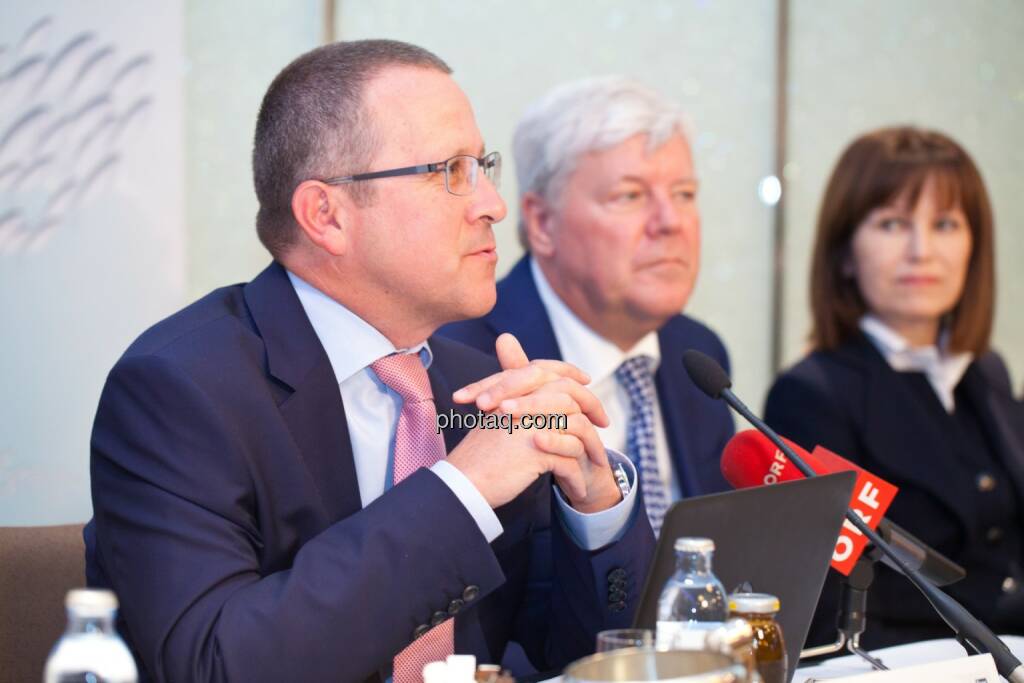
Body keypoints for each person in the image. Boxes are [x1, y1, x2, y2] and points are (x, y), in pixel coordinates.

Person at [85, 40, 655, 683]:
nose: (492, 204)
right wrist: (462, 490)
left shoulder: (477, 393)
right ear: (326, 215)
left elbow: (578, 656)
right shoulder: (179, 392)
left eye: (483, 165)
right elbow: (214, 665)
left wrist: (594, 506)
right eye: (450, 171)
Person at [765, 126, 1024, 649]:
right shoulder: (811, 395)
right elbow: (828, 611)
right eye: (892, 224)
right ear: (844, 253)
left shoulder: (985, 371)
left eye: (946, 224)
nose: (921, 250)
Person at [440, 77, 734, 537]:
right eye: (631, 196)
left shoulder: (697, 352)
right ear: (541, 222)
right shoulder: (464, 363)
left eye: (684, 195)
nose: (671, 222)